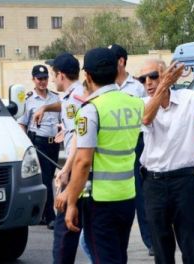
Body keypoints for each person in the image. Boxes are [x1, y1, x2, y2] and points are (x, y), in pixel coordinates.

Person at [139, 46, 194, 264]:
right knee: (162, 250)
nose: (148, 82)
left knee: (191, 248)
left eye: (153, 76)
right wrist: (164, 85)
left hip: (184, 183)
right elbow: (146, 119)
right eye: (143, 79)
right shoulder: (142, 104)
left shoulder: (188, 98)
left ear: (166, 73)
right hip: (154, 183)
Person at [64, 47, 144, 264]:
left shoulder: (91, 110)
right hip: (127, 196)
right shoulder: (134, 103)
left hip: (101, 201)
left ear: (87, 76)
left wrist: (71, 202)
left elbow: (83, 161)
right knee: (118, 256)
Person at [36, 52, 88, 264]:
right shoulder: (71, 96)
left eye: (53, 74)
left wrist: (65, 171)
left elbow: (81, 136)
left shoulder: (75, 99)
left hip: (76, 172)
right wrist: (46, 107)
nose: (52, 79)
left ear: (61, 75)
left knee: (64, 237)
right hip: (77, 170)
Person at [109, 43, 153, 256]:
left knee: (140, 196)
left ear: (121, 61)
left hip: (136, 143)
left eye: (111, 59)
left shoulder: (137, 87)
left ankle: (151, 241)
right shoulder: (105, 87)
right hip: (113, 145)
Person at [17, 64, 61, 230]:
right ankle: (50, 216)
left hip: (54, 143)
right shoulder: (28, 100)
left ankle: (43, 213)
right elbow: (22, 123)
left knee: (49, 178)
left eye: (45, 78)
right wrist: (27, 143)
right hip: (39, 143)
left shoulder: (55, 98)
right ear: (33, 80)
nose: (43, 82)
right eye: (39, 79)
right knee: (46, 179)